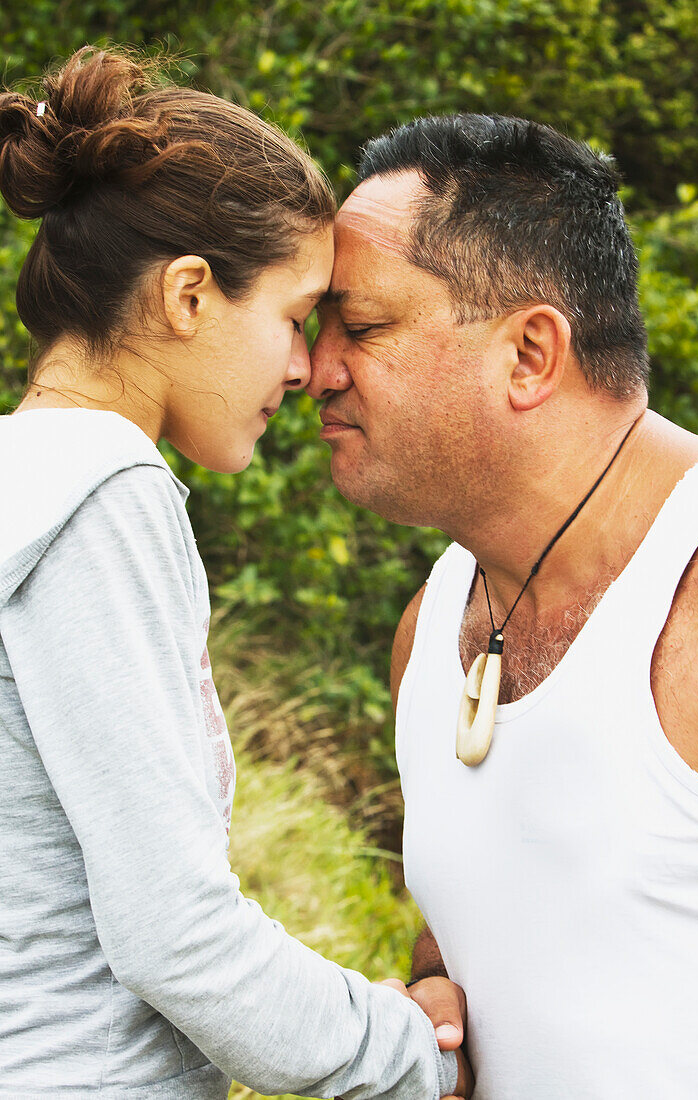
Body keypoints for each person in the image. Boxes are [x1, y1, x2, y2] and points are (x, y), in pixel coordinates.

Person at [0, 49, 470, 1100]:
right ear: (187, 295)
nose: (305, 367)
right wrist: (411, 1056)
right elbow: (177, 936)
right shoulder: (103, 491)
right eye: (295, 316)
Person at [307, 113, 698, 1099]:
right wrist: (431, 1002)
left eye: (359, 326)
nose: (312, 371)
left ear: (530, 352)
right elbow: (487, 920)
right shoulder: (430, 627)